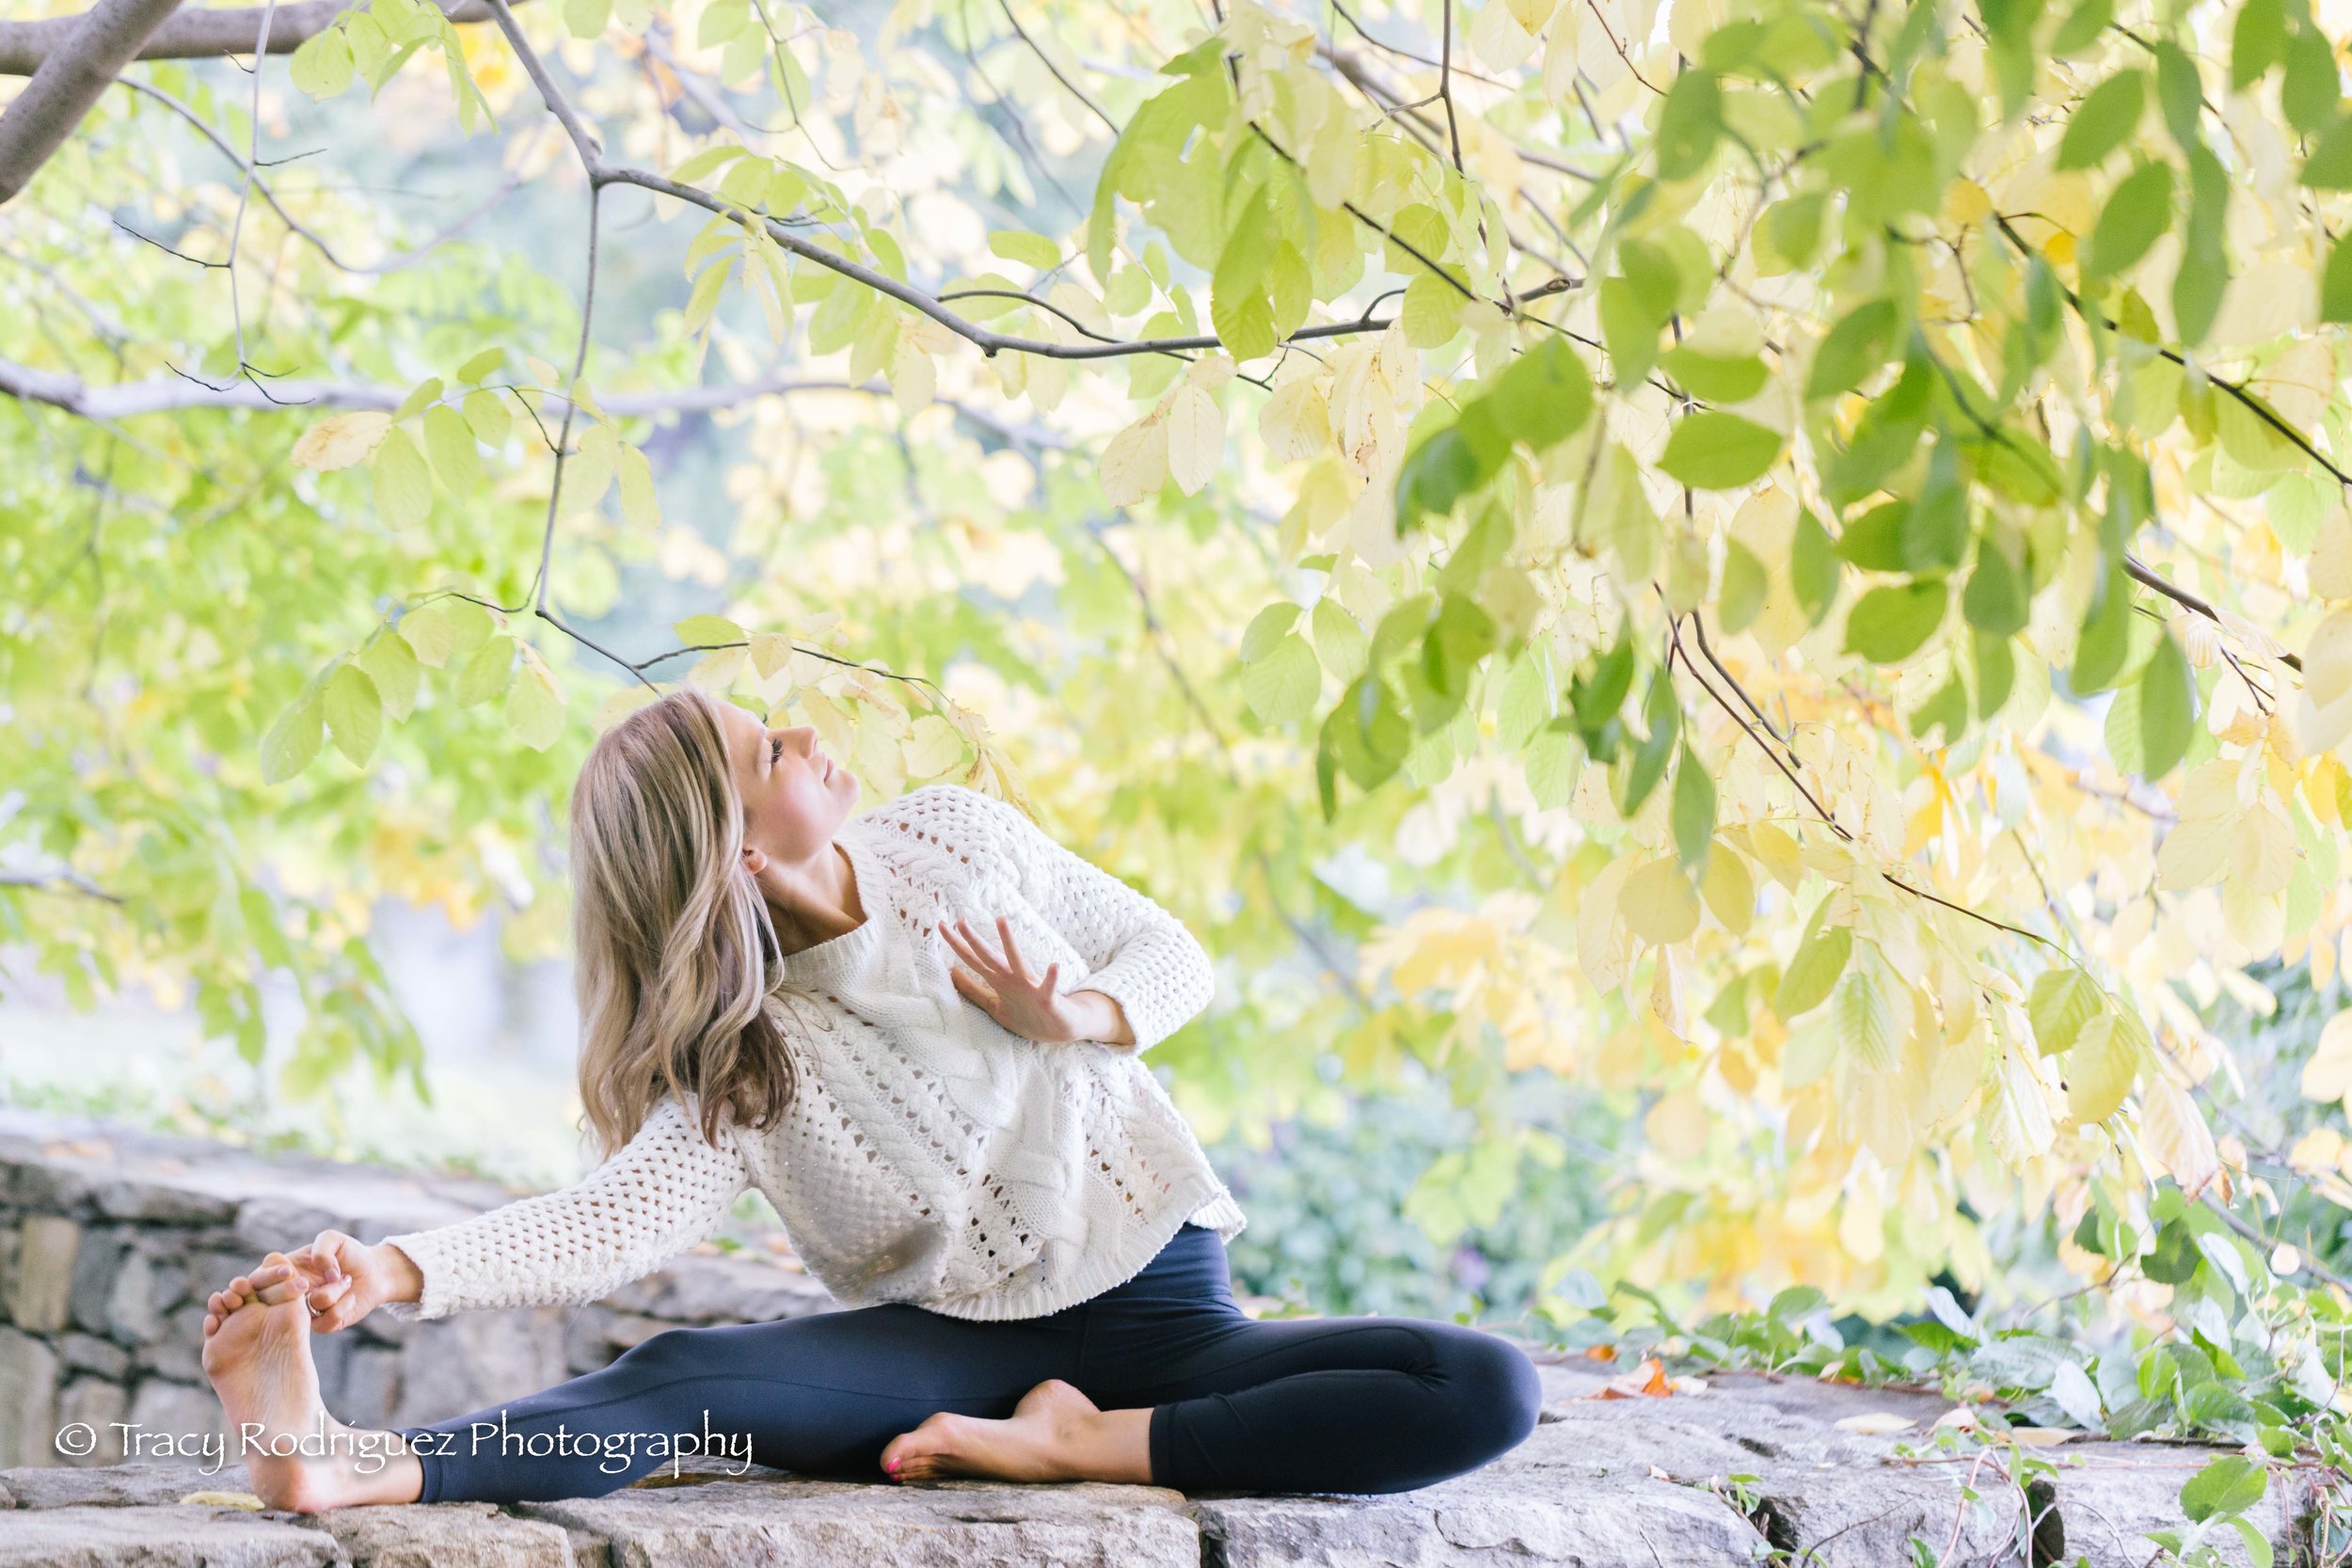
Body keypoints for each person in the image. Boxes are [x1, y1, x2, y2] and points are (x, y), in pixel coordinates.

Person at [199, 688, 1542, 1513]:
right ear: (730, 844)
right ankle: (347, 1466)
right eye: (770, 746)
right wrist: (389, 1268)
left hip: (1171, 1318)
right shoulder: (748, 1048)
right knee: (686, 1379)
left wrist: (1075, 1013)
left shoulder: (955, 837)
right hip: (953, 1354)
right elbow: (612, 1222)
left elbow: (1173, 951)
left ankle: (1079, 1449)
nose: (814, 735)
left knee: (1476, 1382)